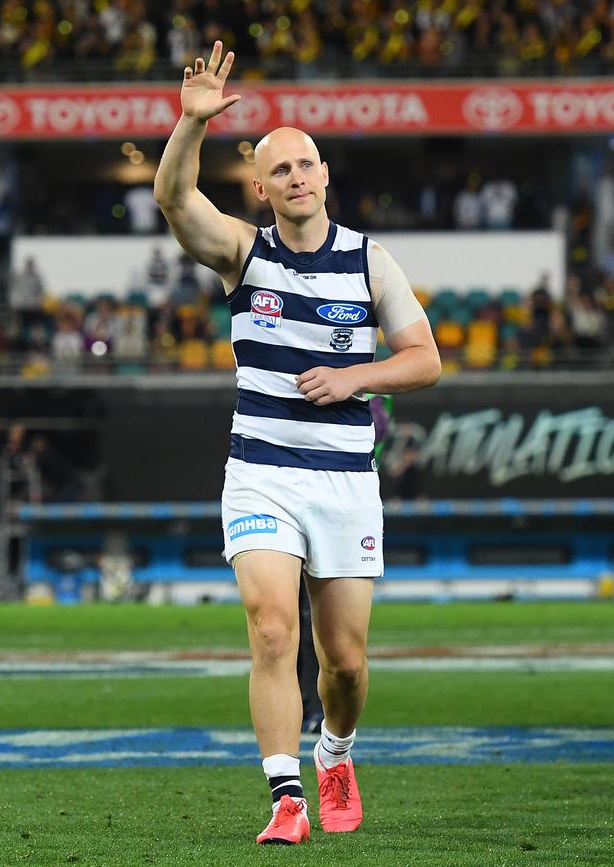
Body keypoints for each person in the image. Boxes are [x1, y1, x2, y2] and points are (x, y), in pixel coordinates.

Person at [154, 41, 441, 846]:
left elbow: (427, 360)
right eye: (282, 170)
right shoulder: (244, 254)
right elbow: (175, 200)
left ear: (323, 173)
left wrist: (358, 378)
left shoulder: (368, 260)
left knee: (344, 660)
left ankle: (336, 750)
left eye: (307, 164)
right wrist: (191, 123)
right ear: (262, 187)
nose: (298, 177)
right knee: (273, 629)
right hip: (261, 476)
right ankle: (286, 795)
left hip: (346, 479)